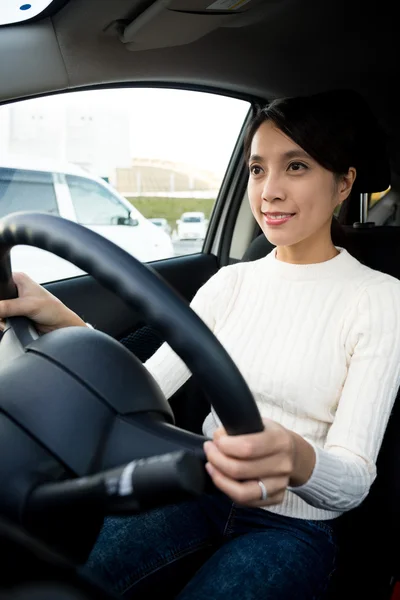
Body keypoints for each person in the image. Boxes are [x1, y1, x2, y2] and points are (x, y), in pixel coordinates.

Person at [1, 90, 400, 600]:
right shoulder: (230, 284)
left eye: (296, 166)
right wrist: (59, 319)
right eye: (257, 170)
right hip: (197, 488)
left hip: (294, 527)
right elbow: (145, 387)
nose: (269, 191)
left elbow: (353, 481)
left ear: (343, 182)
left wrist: (295, 455)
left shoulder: (378, 298)